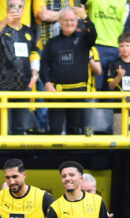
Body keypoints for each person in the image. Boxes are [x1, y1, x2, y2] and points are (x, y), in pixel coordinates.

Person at [0, 0, 40, 135]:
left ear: (23, 10)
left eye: (19, 7)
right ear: (7, 8)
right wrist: (4, 22)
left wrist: (34, 75)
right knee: (1, 127)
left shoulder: (28, 31)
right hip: (1, 84)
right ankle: (0, 156)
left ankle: (18, 156)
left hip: (23, 85)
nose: (16, 9)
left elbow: (34, 53)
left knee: (20, 127)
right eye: (12, 6)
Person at [40, 7, 96, 135]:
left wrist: (86, 19)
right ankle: (54, 155)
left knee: (75, 129)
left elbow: (93, 34)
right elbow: (43, 64)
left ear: (76, 21)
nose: (69, 23)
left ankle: (75, 156)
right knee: (54, 129)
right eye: (65, 20)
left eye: (72, 20)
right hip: (57, 92)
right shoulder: (52, 42)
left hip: (78, 92)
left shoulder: (84, 39)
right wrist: (47, 83)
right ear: (59, 21)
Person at [86, 0, 130, 91]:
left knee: (108, 86)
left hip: (107, 48)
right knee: (104, 87)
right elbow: (126, 29)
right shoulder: (123, 2)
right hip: (101, 47)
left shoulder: (123, 3)